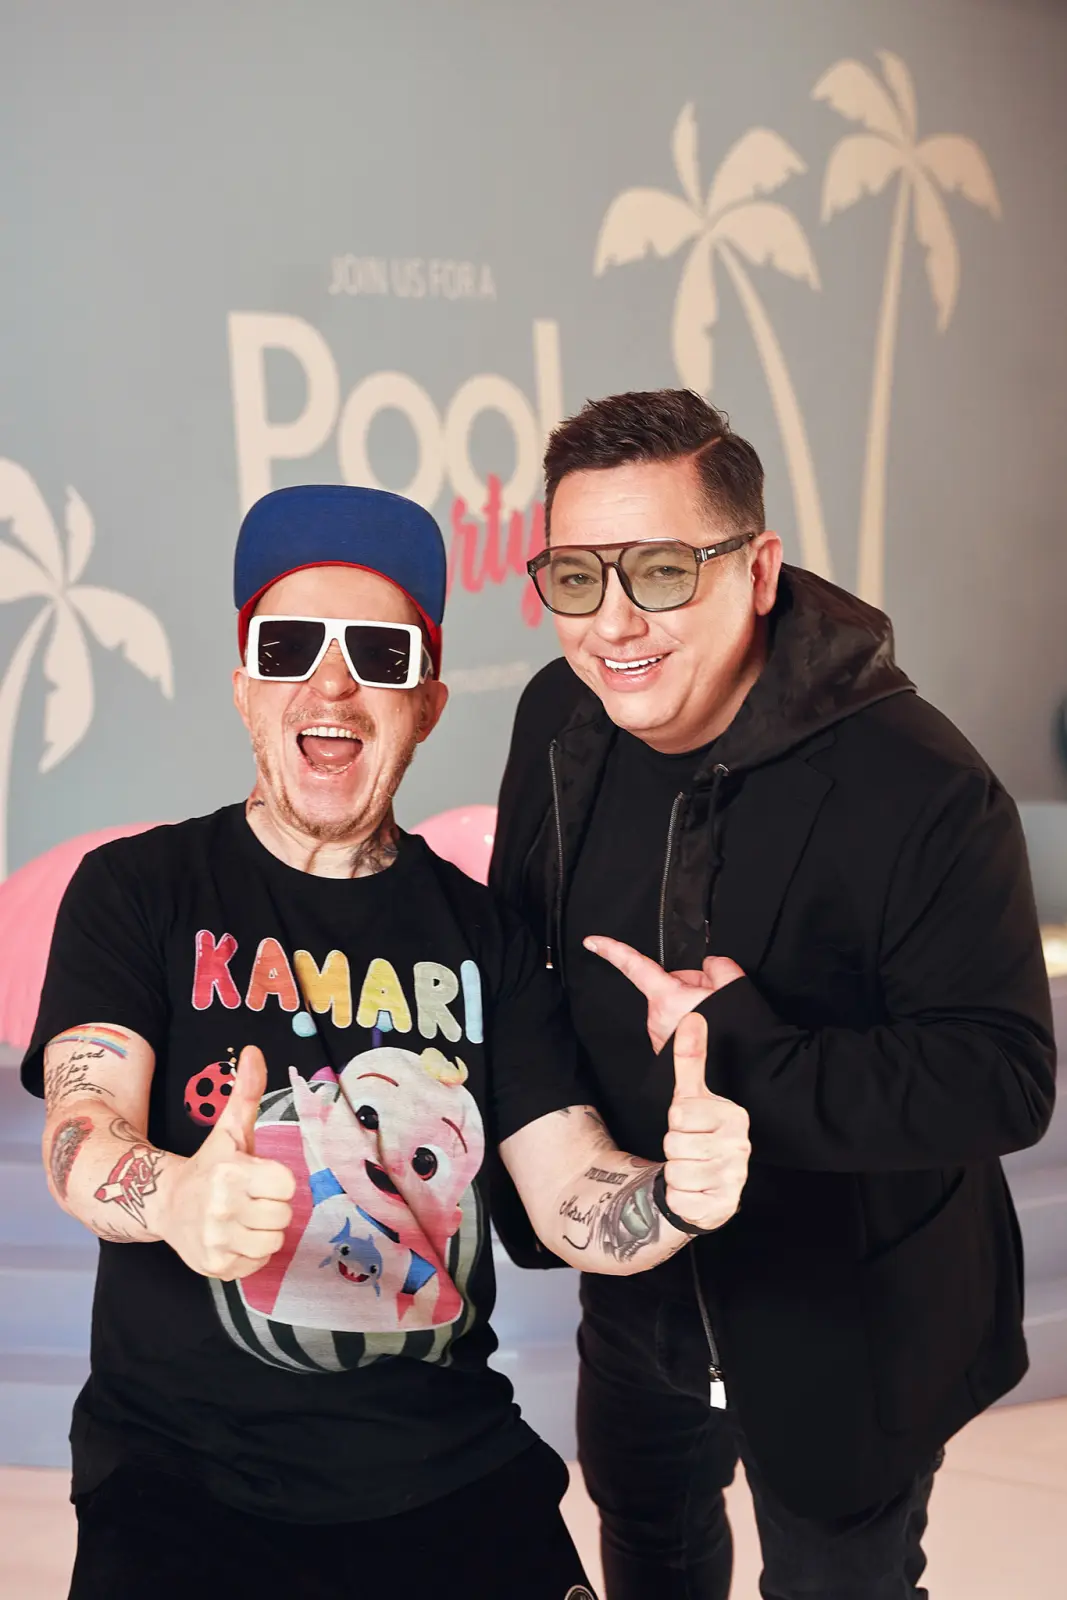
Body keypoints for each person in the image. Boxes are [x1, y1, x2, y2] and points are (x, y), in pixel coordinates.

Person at [22, 483, 752, 1600]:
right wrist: (173, 1197)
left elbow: (570, 1186)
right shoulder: (136, 889)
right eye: (288, 648)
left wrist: (678, 1193)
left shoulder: (488, 935)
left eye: (377, 653)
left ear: (427, 703)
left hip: (449, 1472)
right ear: (244, 687)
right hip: (182, 1479)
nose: (331, 684)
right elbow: (82, 1126)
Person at [490, 389, 1056, 1600]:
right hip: (637, 1286)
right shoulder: (557, 719)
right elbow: (521, 957)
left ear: (755, 570)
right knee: (648, 1550)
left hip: (847, 1312)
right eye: (576, 578)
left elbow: (1002, 1078)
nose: (612, 623)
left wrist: (745, 1052)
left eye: (658, 571)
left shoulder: (918, 782)